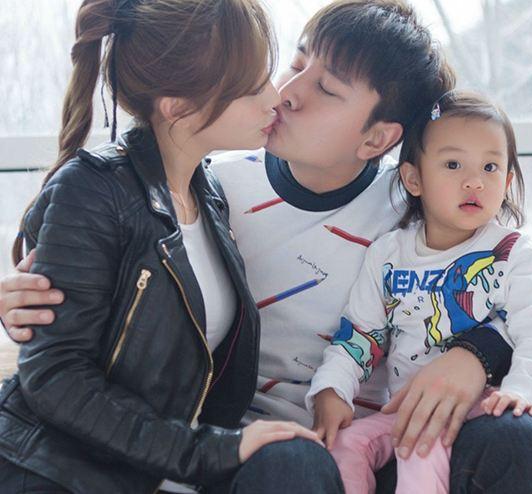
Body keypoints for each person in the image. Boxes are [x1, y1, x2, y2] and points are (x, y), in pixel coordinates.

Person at [0, 1, 532, 493]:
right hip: (259, 455)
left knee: (527, 442)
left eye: (326, 88)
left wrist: (476, 354)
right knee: (292, 464)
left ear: (377, 138)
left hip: (388, 447)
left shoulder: (415, 204)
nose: (286, 92)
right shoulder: (211, 190)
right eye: (296, 63)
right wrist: (33, 293)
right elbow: (104, 287)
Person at [0, 1, 342, 493]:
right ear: (178, 106)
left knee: (298, 462)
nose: (275, 98)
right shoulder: (93, 191)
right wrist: (208, 452)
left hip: (168, 465)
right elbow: (55, 376)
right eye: (251, 89)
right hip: (66, 475)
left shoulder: (210, 194)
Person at [306, 91, 532, 494]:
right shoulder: (388, 254)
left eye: (490, 167)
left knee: (421, 448)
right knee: (347, 445)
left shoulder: (512, 252)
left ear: (506, 181)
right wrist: (332, 389)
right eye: (453, 165)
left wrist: (524, 391)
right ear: (414, 179)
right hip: (406, 408)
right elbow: (360, 335)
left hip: (480, 403)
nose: (474, 181)